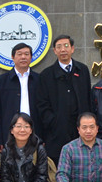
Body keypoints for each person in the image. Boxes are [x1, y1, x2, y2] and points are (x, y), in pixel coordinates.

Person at [36, 34, 92, 162]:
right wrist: (54, 122)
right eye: (59, 47)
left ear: (72, 48)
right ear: (54, 51)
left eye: (66, 46)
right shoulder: (46, 75)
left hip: (81, 129)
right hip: (57, 132)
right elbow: (42, 104)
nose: (63, 50)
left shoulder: (82, 70)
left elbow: (88, 98)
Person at [0, 43, 40, 152]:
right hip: (9, 133)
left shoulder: (39, 79)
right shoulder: (1, 81)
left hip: (34, 132)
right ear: (13, 57)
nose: (23, 57)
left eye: (26, 54)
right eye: (19, 54)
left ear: (31, 57)